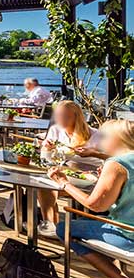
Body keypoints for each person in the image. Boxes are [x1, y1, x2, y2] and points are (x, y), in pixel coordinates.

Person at [49, 119, 134, 278]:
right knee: (97, 224)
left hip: (128, 235)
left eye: (104, 137)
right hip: (125, 227)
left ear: (117, 139)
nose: (100, 142)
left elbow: (95, 205)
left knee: (65, 228)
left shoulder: (117, 164)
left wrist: (63, 183)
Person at [37, 101, 107, 237]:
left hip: (92, 175)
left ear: (77, 117)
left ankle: (63, 228)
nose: (60, 120)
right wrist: (46, 148)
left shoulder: (96, 135)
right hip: (66, 170)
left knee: (51, 184)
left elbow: (113, 158)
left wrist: (93, 153)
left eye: (65, 116)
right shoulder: (55, 130)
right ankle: (51, 225)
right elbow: (47, 159)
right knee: (44, 185)